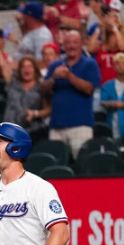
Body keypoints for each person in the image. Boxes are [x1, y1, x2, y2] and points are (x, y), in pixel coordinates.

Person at [41, 29, 101, 158]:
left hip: (81, 125)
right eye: (68, 43)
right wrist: (53, 78)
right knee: (55, 163)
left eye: (75, 42)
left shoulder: (90, 64)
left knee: (83, 161)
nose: (71, 46)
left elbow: (89, 89)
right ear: (63, 46)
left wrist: (69, 76)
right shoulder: (55, 66)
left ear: (81, 44)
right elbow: (43, 90)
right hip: (56, 126)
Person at [0, 55, 50, 143]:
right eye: (23, 67)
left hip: (32, 132)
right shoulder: (13, 84)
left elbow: (48, 109)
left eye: (30, 66)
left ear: (35, 69)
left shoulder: (41, 87)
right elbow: (3, 65)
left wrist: (35, 114)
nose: (26, 69)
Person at [100, 52, 124, 139]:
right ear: (113, 66)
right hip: (113, 126)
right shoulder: (108, 85)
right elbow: (103, 102)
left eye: (123, 63)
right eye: (117, 63)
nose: (120, 66)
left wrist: (120, 105)